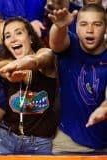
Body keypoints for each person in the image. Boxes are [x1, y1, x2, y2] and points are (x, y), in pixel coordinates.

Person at [0, 17, 58, 157]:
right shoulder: (4, 65)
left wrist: (18, 65)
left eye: (18, 33)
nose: (12, 39)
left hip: (40, 143)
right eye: (8, 36)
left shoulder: (46, 60)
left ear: (30, 37)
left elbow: (41, 58)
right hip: (6, 138)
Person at [49, 4, 107, 154]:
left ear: (106, 28)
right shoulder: (70, 45)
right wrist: (60, 27)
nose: (89, 30)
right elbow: (56, 43)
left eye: (97, 24)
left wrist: (104, 109)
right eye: (83, 24)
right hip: (68, 142)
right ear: (75, 28)